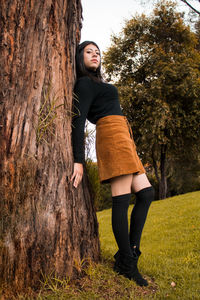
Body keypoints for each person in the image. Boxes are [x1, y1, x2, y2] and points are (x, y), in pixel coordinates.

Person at [71, 41, 154, 287]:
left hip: (123, 135)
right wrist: (78, 160)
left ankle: (129, 254)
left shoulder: (99, 83)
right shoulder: (84, 83)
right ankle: (127, 264)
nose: (95, 55)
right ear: (79, 57)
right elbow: (78, 121)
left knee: (147, 193)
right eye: (89, 52)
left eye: (97, 52)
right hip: (111, 136)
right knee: (121, 199)